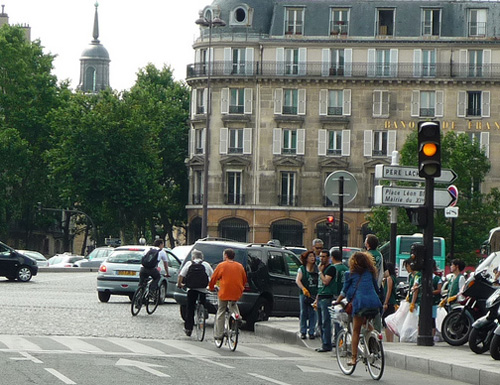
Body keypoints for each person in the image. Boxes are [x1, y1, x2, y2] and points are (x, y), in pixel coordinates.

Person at [335, 252, 382, 366]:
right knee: (365, 323)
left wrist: (337, 301)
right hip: (374, 304)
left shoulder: (349, 274)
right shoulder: (370, 273)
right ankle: (374, 336)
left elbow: (344, 291)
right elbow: (377, 289)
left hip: (360, 304)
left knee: (355, 330)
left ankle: (354, 358)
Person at [209, 248, 247, 341]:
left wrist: (211, 287)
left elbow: (213, 278)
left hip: (225, 291)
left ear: (225, 255)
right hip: (237, 291)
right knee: (233, 304)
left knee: (221, 310)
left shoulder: (222, 265)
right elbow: (244, 279)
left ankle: (219, 334)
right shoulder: (240, 266)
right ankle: (238, 317)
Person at [177, 249, 213, 336]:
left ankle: (188, 328)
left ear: (193, 257)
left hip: (191, 289)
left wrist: (180, 284)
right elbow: (213, 276)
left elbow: (181, 275)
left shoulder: (189, 264)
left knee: (190, 308)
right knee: (202, 303)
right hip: (203, 289)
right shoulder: (206, 265)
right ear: (202, 258)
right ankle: (203, 311)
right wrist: (211, 286)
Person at [315, 249, 336, 352]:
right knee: (319, 322)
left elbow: (326, 281)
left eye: (323, 257)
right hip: (320, 296)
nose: (321, 258)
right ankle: (324, 343)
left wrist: (320, 272)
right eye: (320, 256)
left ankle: (327, 344)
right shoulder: (322, 268)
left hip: (327, 297)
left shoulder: (330, 269)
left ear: (328, 258)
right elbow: (320, 286)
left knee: (325, 322)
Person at [295, 250, 319, 339]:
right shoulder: (302, 269)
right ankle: (303, 331)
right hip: (304, 294)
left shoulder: (317, 269)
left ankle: (312, 331)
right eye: (310, 256)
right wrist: (303, 288)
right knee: (304, 312)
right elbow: (298, 280)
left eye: (313, 256)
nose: (312, 258)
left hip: (314, 293)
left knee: (313, 312)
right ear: (306, 258)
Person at [364, 234, 384, 332]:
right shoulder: (379, 254)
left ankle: (366, 333)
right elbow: (381, 271)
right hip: (378, 285)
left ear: (368, 243)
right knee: (376, 311)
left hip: (368, 286)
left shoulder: (366, 255)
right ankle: (377, 332)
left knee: (364, 313)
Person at [331, 249, 348, 344]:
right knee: (344, 319)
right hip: (345, 296)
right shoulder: (346, 269)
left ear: (332, 258)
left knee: (336, 319)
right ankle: (343, 338)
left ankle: (337, 338)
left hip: (336, 295)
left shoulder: (333, 269)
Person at [382, 262, 397, 342]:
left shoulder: (389, 278)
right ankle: (390, 339)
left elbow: (389, 291)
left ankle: (389, 340)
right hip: (392, 302)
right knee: (389, 321)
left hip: (389, 302)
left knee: (386, 322)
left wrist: (385, 302)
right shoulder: (394, 277)